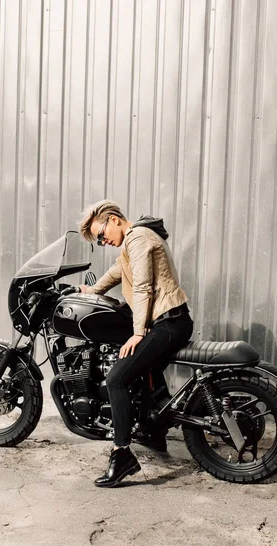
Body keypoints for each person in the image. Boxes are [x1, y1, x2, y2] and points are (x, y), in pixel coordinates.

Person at [78, 200, 193, 488]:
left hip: (168, 323)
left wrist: (138, 332)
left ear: (114, 219)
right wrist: (90, 291)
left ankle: (122, 455)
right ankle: (153, 431)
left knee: (116, 378)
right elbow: (117, 272)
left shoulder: (138, 237)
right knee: (137, 370)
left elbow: (142, 286)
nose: (104, 241)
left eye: (102, 235)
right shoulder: (133, 242)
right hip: (170, 321)